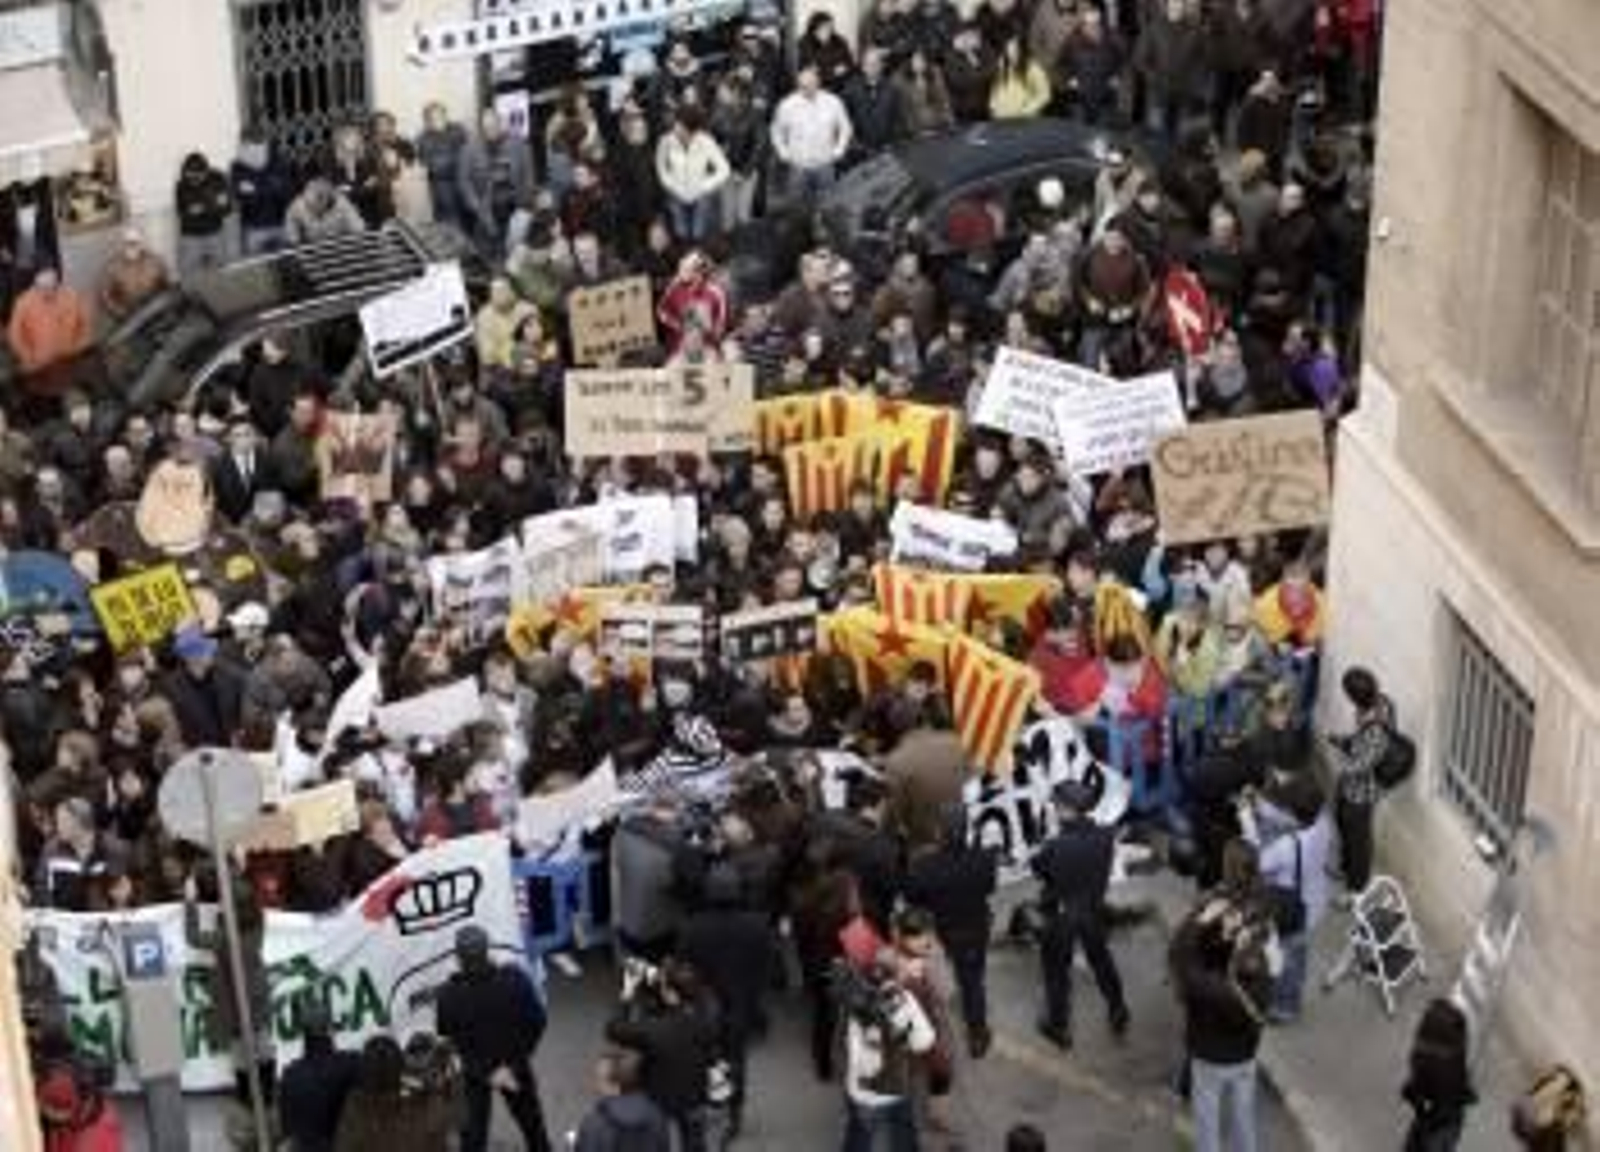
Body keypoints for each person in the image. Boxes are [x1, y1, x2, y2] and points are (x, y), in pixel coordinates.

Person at [1170, 894, 1274, 1152]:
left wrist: (1198, 920)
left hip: (1210, 1059)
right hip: (1245, 1057)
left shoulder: (1211, 988)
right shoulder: (1263, 970)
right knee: (1243, 1115)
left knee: (1207, 1119)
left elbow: (1181, 957)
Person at [435, 925, 552, 1152]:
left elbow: (445, 1031)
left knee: (473, 1136)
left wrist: (484, 1069)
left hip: (475, 1072)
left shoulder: (448, 994)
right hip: (514, 1066)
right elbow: (537, 1022)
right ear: (487, 950)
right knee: (533, 1128)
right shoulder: (515, 980)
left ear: (458, 957)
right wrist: (515, 1062)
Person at [1032, 779, 1130, 1050]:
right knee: (1102, 961)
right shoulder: (1105, 835)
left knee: (1056, 972)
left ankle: (1058, 1026)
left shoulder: (1056, 846)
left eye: (1057, 806)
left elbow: (1038, 868)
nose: (1055, 810)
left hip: (1062, 914)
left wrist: (1047, 844)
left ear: (1067, 809)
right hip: (1093, 909)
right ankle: (1118, 1010)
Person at [902, 805, 997, 1057]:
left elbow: (912, 896)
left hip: (940, 932)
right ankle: (978, 1035)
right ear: (967, 829)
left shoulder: (925, 865)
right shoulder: (984, 859)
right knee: (972, 982)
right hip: (975, 929)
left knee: (936, 982)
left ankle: (936, 1036)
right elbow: (989, 887)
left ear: (939, 832)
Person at [837, 957, 935, 1152]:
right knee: (903, 1134)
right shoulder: (904, 1000)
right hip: (897, 1084)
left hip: (862, 1093)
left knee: (860, 1136)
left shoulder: (852, 1007)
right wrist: (902, 1037)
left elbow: (856, 1061)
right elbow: (925, 1041)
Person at [1324, 665, 1396, 898]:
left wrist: (1340, 764)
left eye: (1348, 694)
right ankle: (1345, 868)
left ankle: (1355, 889)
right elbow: (1359, 741)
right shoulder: (1377, 704)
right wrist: (1341, 741)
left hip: (1362, 794)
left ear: (1357, 697)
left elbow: (1364, 764)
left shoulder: (1378, 729)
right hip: (1348, 789)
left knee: (1359, 842)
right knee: (1343, 826)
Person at [279, 998, 361, 1152]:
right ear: (329, 1029)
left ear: (304, 1032)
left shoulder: (290, 1075)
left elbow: (288, 1131)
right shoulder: (351, 1064)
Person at [771, 65, 854, 208]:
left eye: (809, 85)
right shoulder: (787, 105)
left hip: (825, 165)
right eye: (802, 86)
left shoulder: (833, 102)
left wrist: (839, 150)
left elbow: (846, 128)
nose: (806, 89)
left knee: (828, 207)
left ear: (818, 83)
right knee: (797, 209)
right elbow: (776, 131)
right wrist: (784, 153)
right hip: (798, 167)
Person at [1402, 999, 1476, 1151]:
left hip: (1436, 1127)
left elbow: (1423, 1097)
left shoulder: (1430, 1061)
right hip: (1447, 1120)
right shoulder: (1455, 1052)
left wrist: (1413, 1096)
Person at [459, 108, 534, 257]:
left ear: (501, 124)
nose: (490, 131)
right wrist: (476, 207)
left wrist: (525, 201)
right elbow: (464, 182)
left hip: (515, 206)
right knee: (486, 254)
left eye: (493, 126)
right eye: (486, 128)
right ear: (480, 128)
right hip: (485, 209)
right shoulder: (468, 149)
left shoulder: (519, 145)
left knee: (515, 250)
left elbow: (529, 175)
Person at [655, 108, 731, 244]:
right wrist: (670, 184)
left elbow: (724, 169)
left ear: (690, 129)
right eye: (676, 123)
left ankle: (696, 253)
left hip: (700, 198)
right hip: (676, 195)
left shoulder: (706, 142)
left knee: (698, 234)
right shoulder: (666, 141)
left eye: (679, 124)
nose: (675, 127)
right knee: (680, 233)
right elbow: (660, 167)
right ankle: (683, 252)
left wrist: (704, 186)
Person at [573, 1049, 672, 1152]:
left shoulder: (595, 1121)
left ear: (616, 1086)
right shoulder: (657, 1116)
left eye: (600, 1080)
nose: (596, 1086)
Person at [6, 266, 89, 376]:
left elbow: (85, 325)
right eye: (43, 288)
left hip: (67, 359)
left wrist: (78, 347)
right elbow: (14, 335)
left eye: (52, 287)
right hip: (39, 364)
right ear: (36, 286)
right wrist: (28, 356)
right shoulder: (23, 303)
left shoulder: (72, 296)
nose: (48, 292)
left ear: (57, 284)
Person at [175, 151, 234, 277]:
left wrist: (203, 208)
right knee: (188, 273)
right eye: (190, 178)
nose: (193, 182)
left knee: (221, 272)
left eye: (197, 178)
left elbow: (227, 209)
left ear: (205, 172)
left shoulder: (218, 180)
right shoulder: (181, 185)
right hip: (190, 236)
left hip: (214, 233)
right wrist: (211, 205)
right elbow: (183, 214)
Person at [98, 229, 170, 321]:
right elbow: (105, 295)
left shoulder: (155, 262)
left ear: (142, 244)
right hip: (128, 318)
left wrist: (160, 308)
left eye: (135, 243)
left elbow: (166, 287)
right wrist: (119, 312)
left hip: (153, 314)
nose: (131, 246)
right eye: (128, 243)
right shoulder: (112, 266)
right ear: (122, 244)